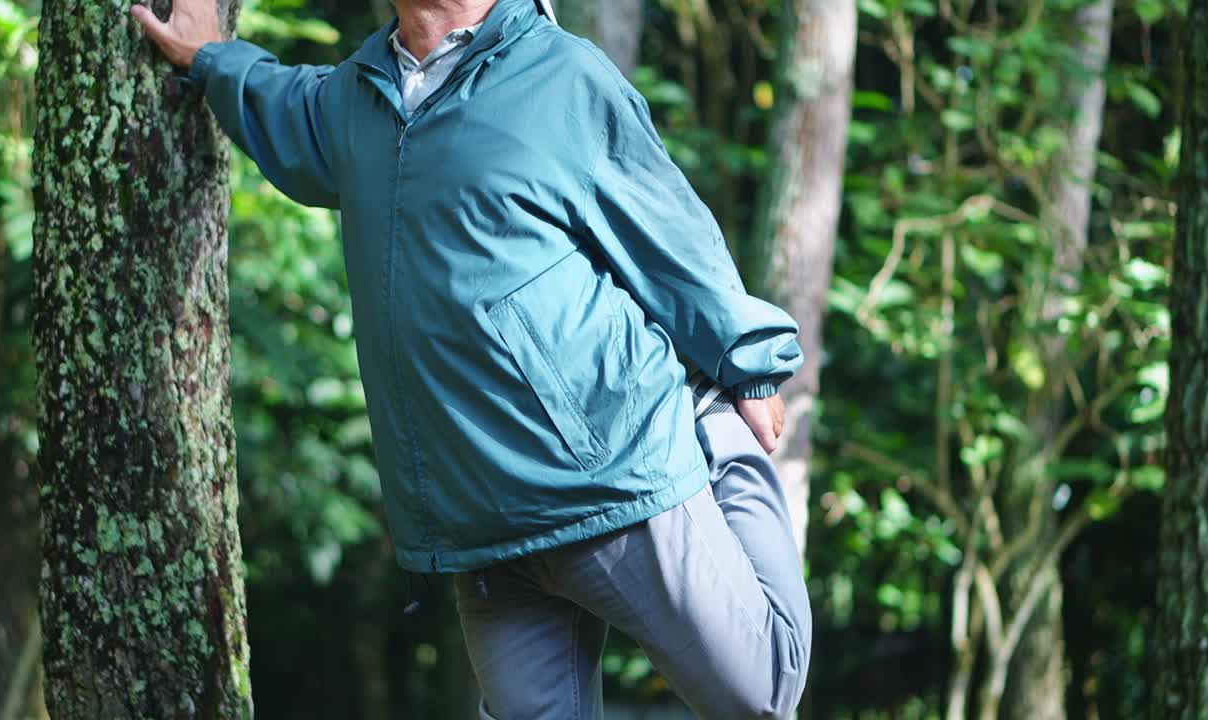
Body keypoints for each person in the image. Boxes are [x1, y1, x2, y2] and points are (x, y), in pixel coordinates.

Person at [132, 0, 812, 716]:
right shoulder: (360, 97)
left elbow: (667, 228)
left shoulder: (561, 76)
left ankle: (712, 431)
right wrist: (212, 59)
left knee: (759, 692)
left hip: (607, 484)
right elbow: (287, 110)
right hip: (479, 528)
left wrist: (745, 360)